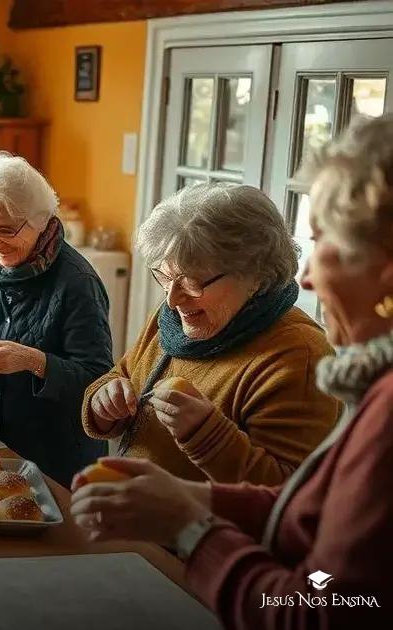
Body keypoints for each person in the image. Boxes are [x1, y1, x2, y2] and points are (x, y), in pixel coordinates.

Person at [69, 113, 393, 630]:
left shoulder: (313, 363)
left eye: (323, 242)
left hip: (206, 588)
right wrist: (180, 496)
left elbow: (321, 604)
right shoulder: (171, 320)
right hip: (148, 559)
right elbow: (305, 512)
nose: (307, 275)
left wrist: (189, 525)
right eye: (164, 277)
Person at [82, 183, 339, 484]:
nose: (173, 299)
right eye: (165, 277)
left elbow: (286, 495)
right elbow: (121, 375)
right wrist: (103, 401)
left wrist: (207, 434)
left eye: (192, 283)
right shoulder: (173, 318)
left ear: (255, 276)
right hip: (132, 513)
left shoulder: (300, 356)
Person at [0, 152, 113, 483]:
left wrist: (32, 360)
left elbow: (98, 380)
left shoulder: (77, 282)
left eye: (6, 230)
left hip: (56, 456)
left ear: (40, 222)